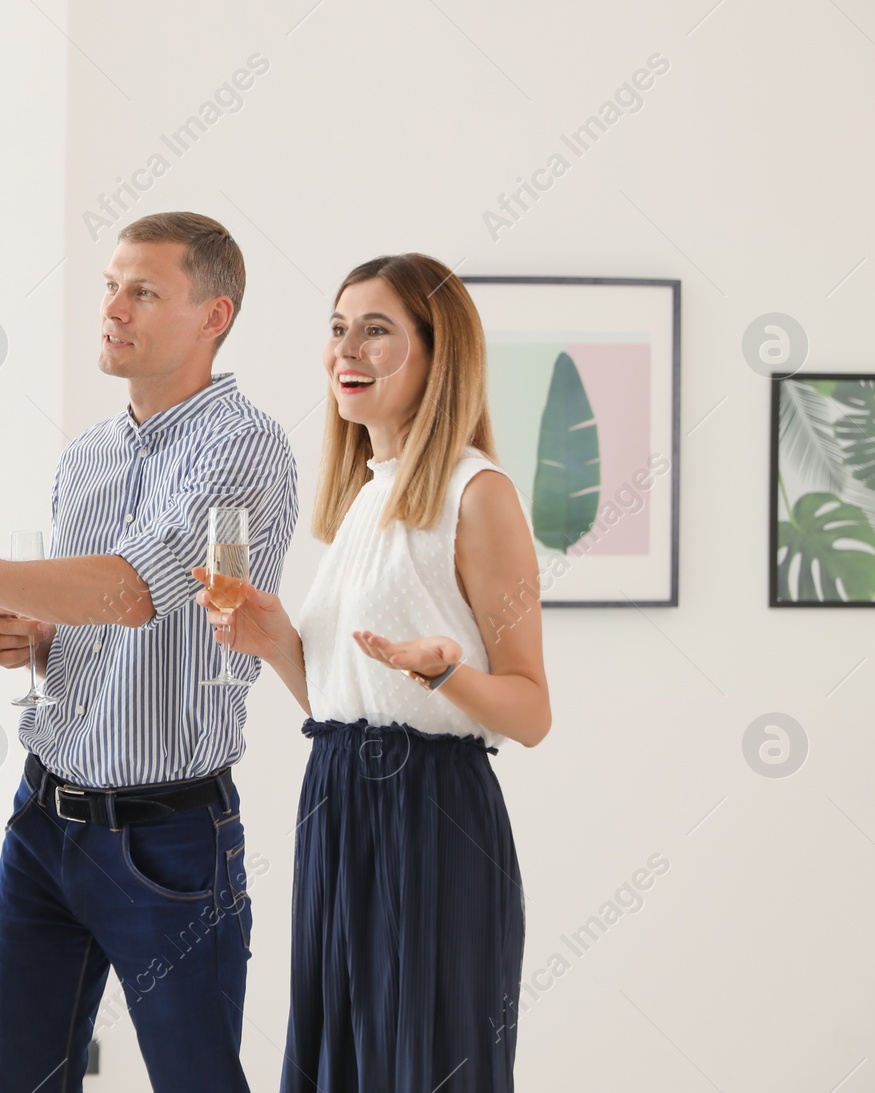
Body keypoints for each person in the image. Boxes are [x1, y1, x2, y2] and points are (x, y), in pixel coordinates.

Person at [0, 212, 298, 1092]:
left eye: (143, 290)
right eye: (110, 284)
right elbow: (93, 613)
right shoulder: (87, 458)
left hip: (169, 843)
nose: (112, 307)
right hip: (43, 822)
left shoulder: (245, 446)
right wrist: (41, 643)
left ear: (213, 316)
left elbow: (131, 590)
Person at [195, 253, 550, 1092]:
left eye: (377, 330)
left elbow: (530, 710)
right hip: (339, 797)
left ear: (437, 353)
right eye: (337, 327)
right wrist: (278, 639)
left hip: (432, 815)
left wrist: (445, 676)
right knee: (340, 1063)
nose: (345, 349)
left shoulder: (479, 493)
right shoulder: (367, 496)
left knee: (419, 1060)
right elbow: (339, 699)